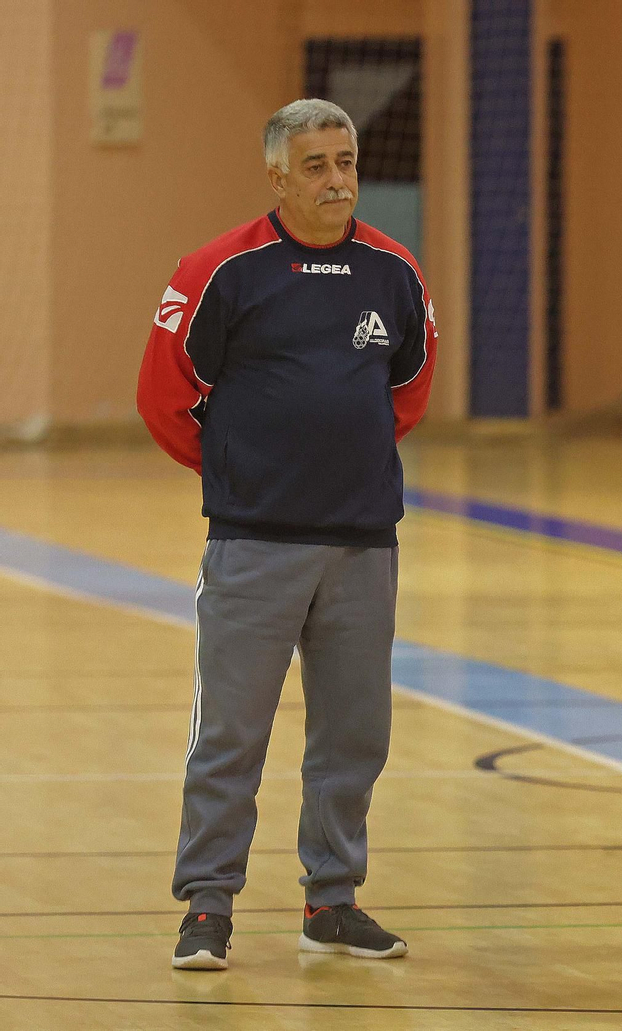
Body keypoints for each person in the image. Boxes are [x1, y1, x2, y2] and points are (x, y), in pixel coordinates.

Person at [136, 98, 437, 970]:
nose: (338, 178)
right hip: (253, 543)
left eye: (346, 161)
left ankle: (332, 900)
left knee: (354, 732)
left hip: (361, 545)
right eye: (317, 165)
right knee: (231, 731)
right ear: (277, 174)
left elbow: (407, 392)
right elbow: (165, 399)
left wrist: (342, 465)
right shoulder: (218, 271)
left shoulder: (395, 272)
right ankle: (207, 904)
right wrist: (243, 473)